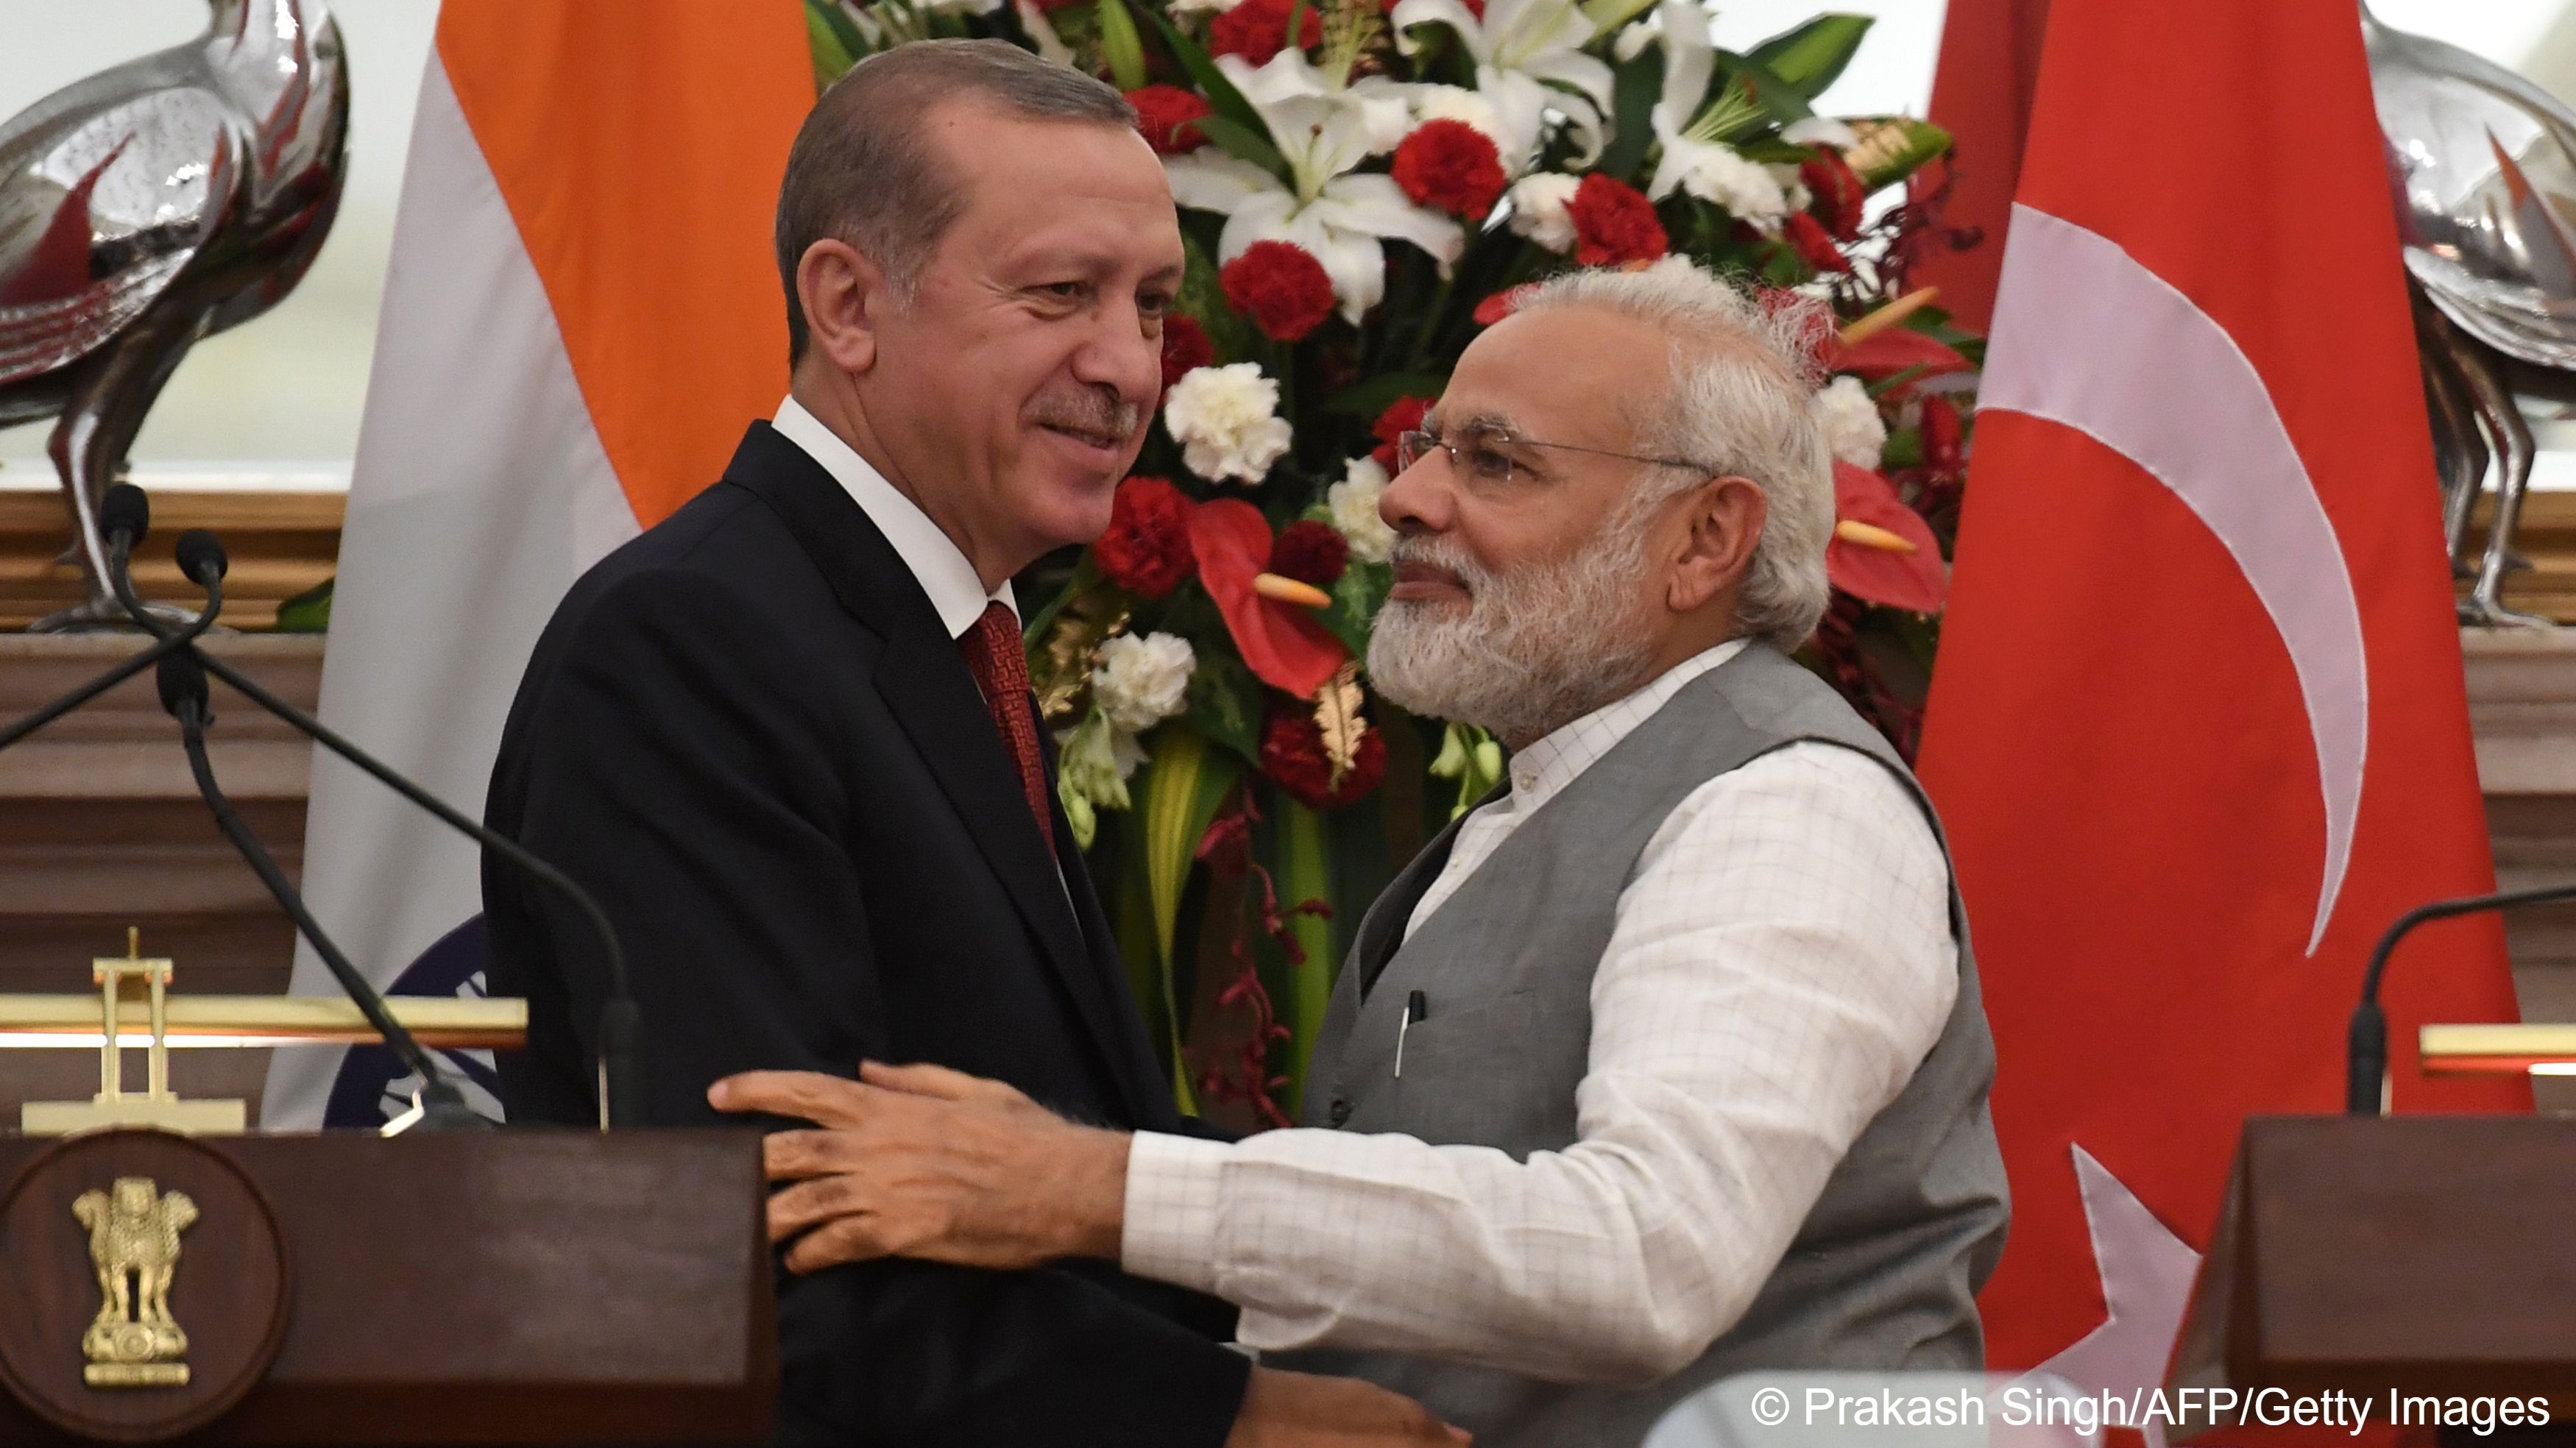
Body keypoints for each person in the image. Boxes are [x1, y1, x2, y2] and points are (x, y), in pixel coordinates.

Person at [710, 258, 2013, 1447]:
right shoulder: (1552, 795)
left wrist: (1081, 1189)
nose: (1404, 498)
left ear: (1706, 540)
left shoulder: (1786, 812)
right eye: (1424, 445)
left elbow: (1648, 1255)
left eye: (1495, 463)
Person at [483, 39, 1462, 1448]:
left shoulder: (937, 629)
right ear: (848, 303)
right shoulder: (694, 643)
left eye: (1150, 307)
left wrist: (1460, 1234)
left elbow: (1041, 1149)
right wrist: (1231, 1418)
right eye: (1061, 294)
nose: (1127, 366)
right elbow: (765, 1234)